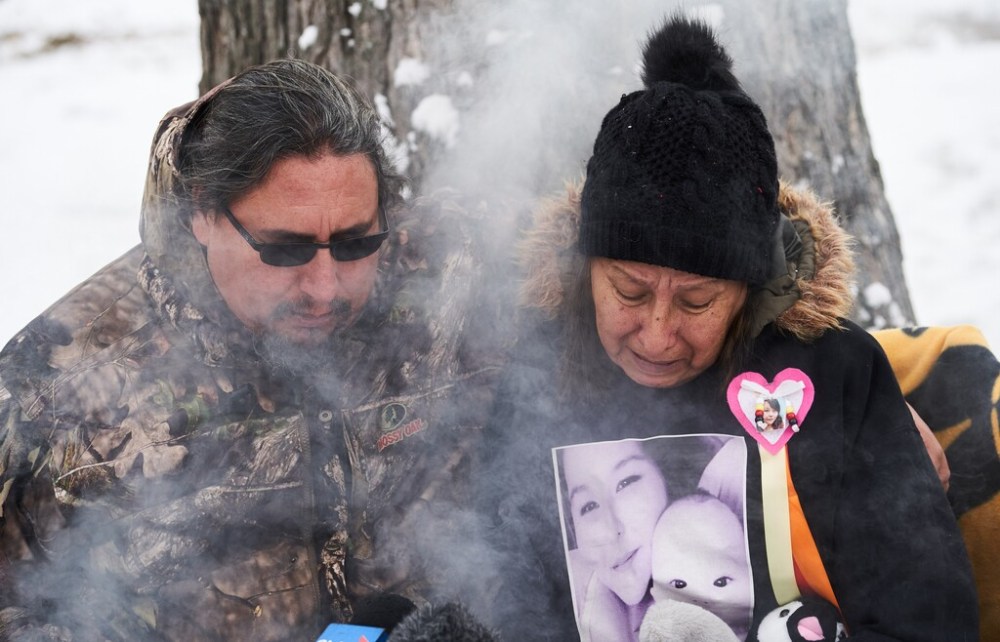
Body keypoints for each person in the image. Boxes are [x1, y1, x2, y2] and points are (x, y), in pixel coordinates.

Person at [474, 15, 978, 641]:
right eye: (629, 291)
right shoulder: (541, 373)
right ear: (585, 268)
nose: (657, 335)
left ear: (748, 289)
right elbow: (497, 587)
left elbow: (927, 618)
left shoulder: (833, 375)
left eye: (697, 302)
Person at [0, 59, 507, 640]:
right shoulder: (53, 389)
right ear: (202, 213)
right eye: (285, 250)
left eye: (354, 241)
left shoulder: (446, 270)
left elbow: (599, 257)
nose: (325, 288)